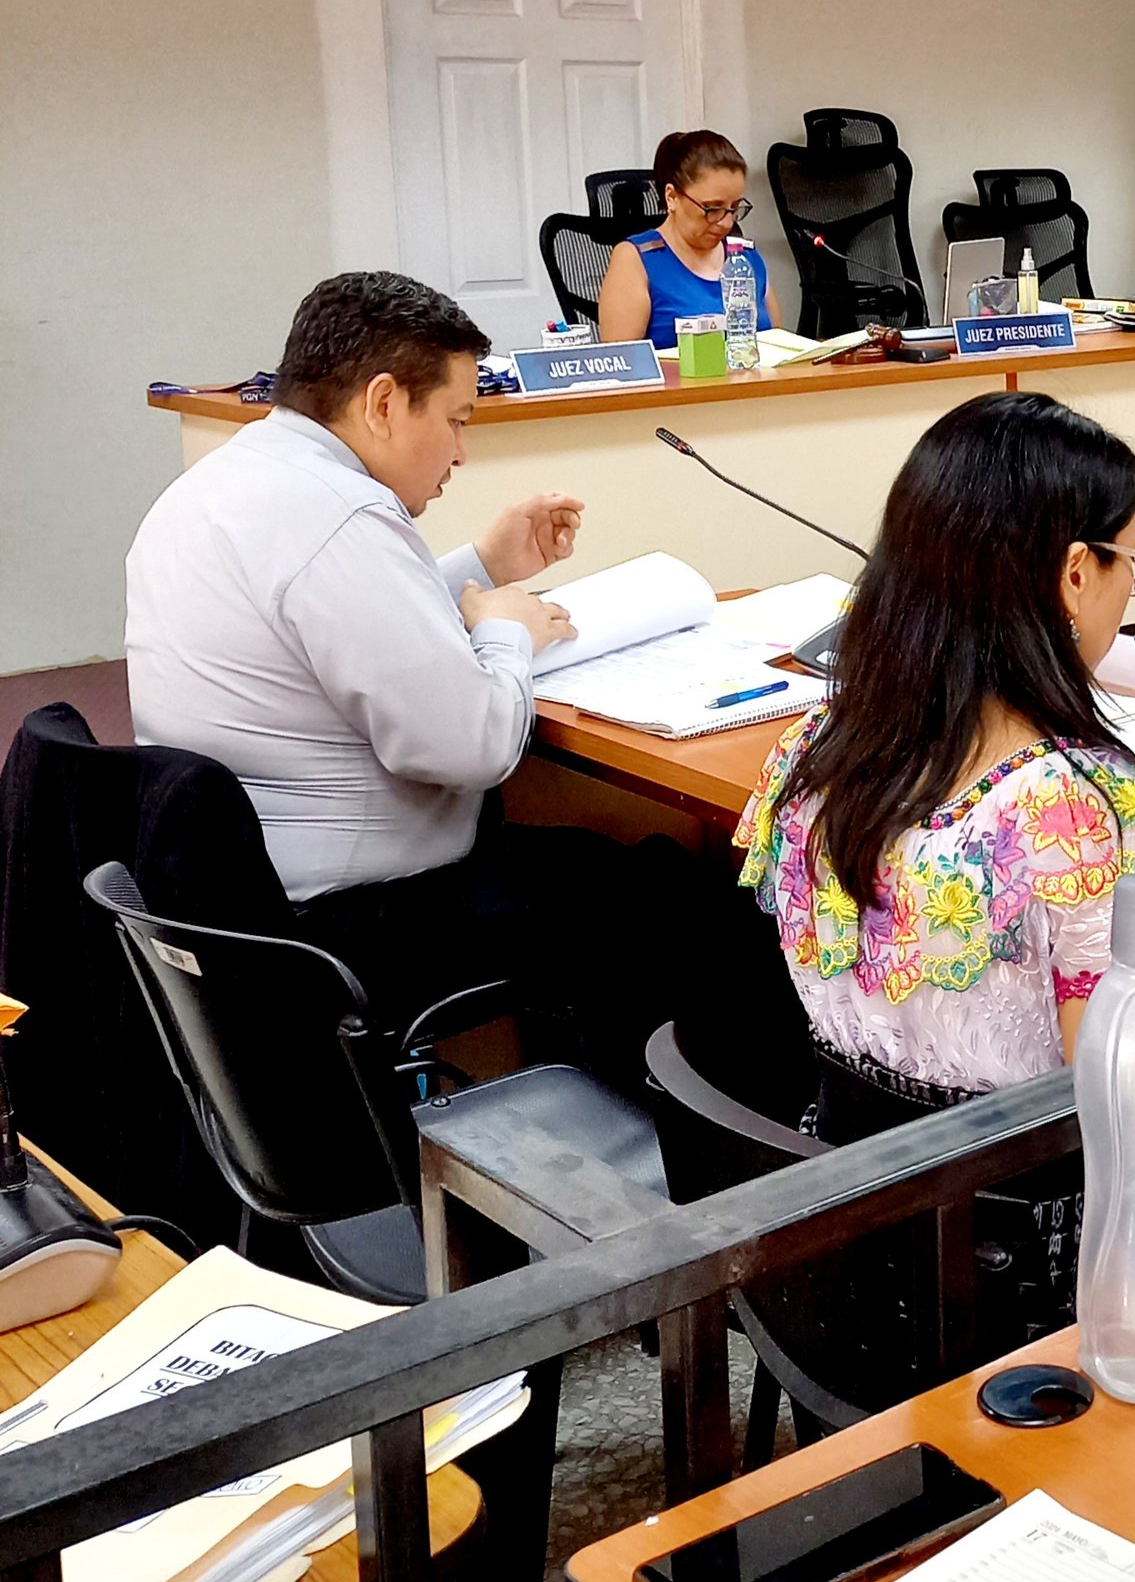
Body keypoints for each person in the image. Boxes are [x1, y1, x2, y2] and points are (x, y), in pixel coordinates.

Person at [126, 269, 786, 1085]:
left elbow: (330, 633)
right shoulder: (339, 517)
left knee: (612, 873)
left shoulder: (227, 486)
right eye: (457, 419)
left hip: (243, 908)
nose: (463, 451)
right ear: (383, 403)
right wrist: (506, 631)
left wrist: (482, 566)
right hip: (348, 923)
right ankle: (725, 1152)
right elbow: (472, 748)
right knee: (671, 899)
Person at [736, 392, 1135, 1131]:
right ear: (1075, 574)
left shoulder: (815, 747)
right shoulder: (1071, 807)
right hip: (1027, 1229)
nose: (1131, 585)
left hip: (853, 1198)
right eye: (1132, 557)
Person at [596, 128, 780, 350]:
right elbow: (623, 367)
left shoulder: (746, 257)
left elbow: (780, 351)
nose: (726, 222)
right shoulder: (636, 259)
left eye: (734, 208)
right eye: (712, 208)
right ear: (672, 197)